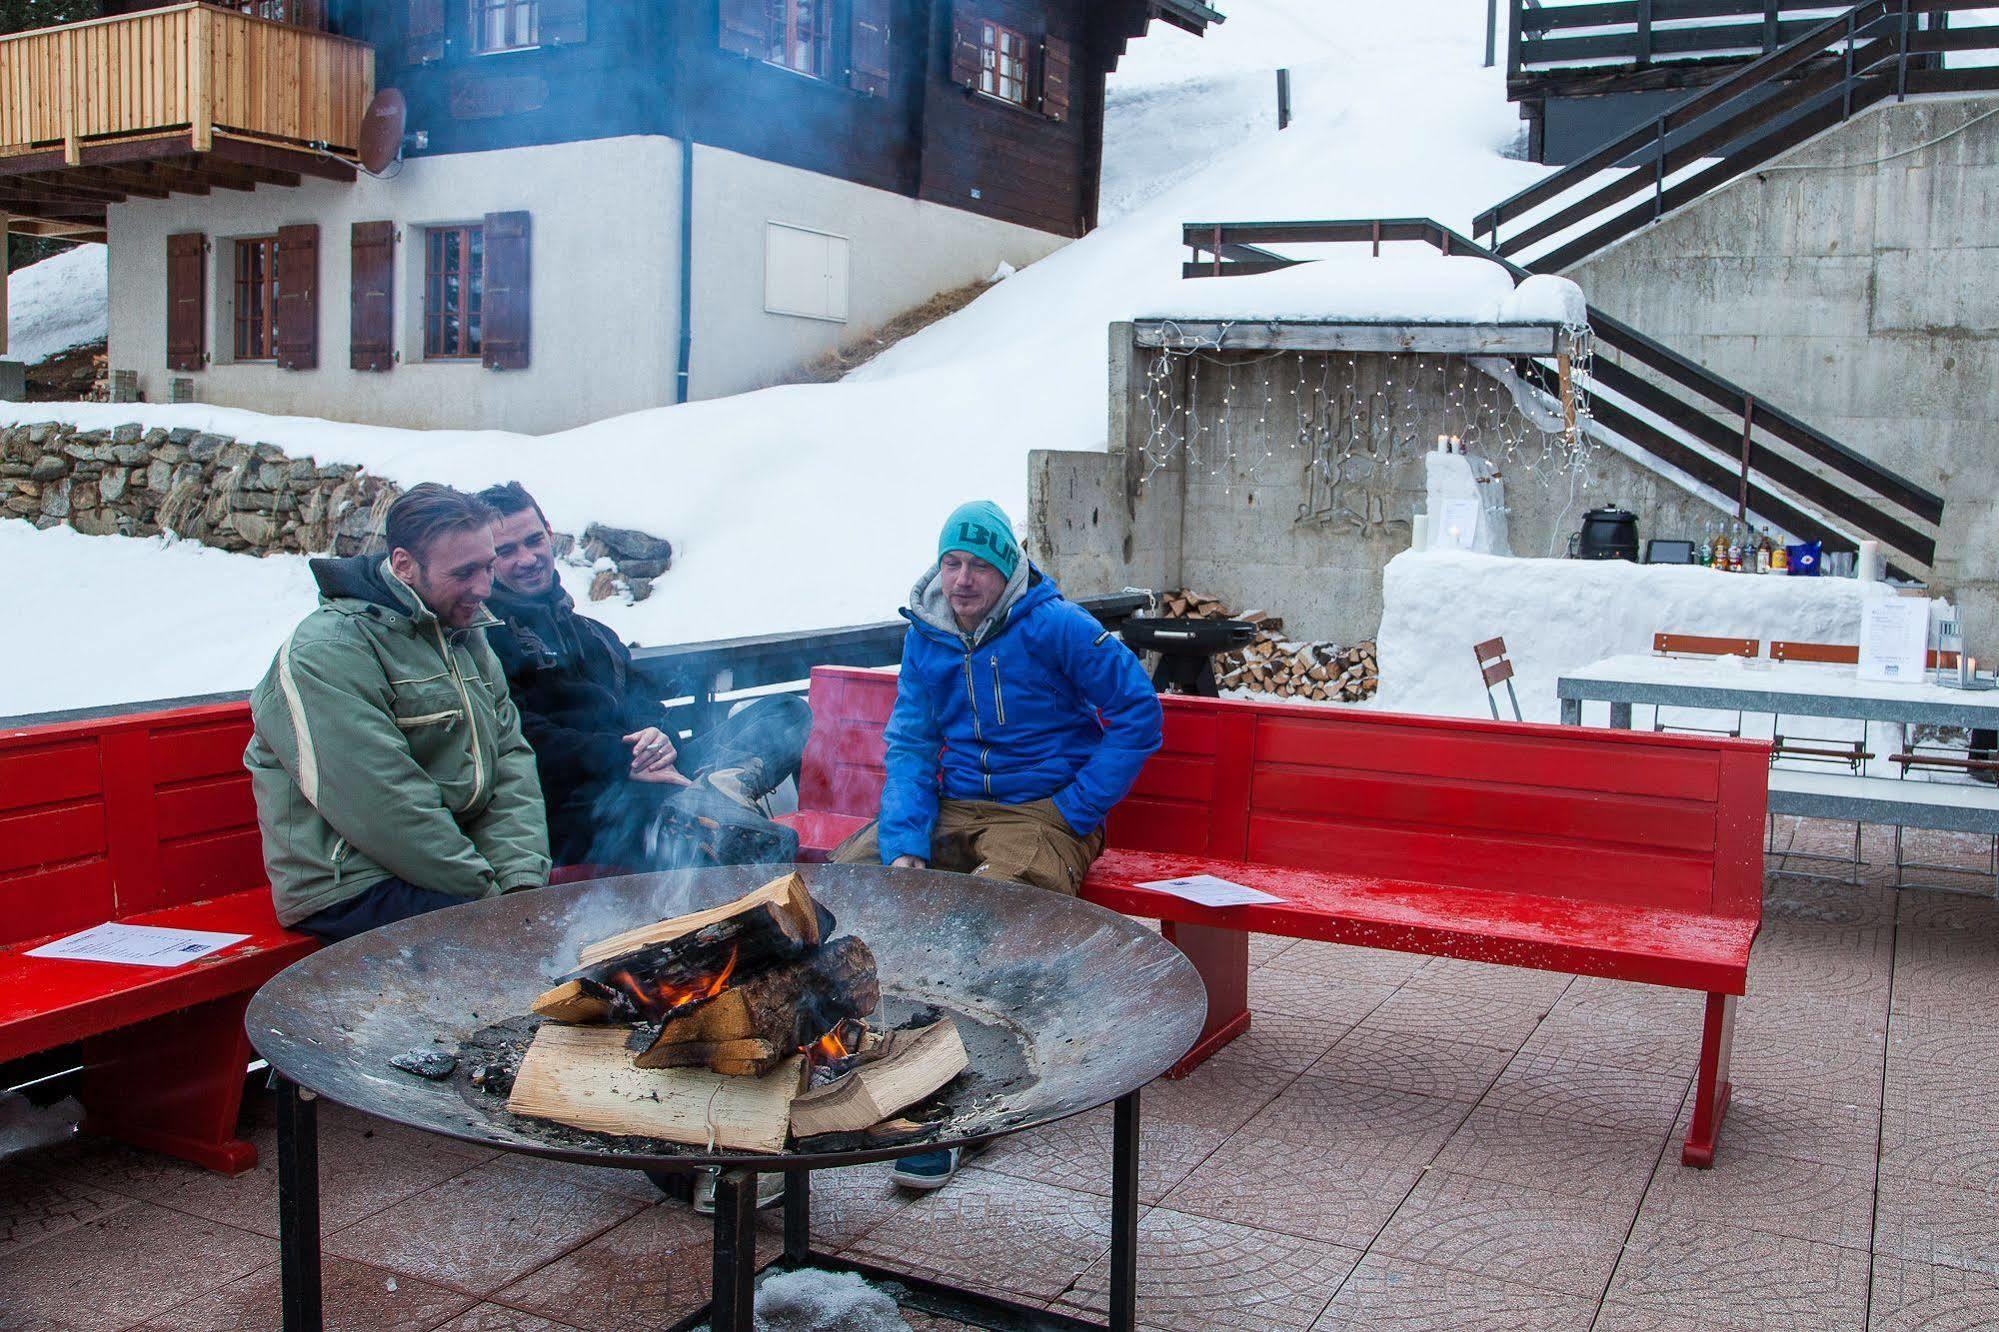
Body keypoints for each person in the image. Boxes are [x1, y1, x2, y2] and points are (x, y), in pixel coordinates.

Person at [834, 500, 1162, 1190]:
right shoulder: (926, 633)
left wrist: (1074, 807)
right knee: (844, 888)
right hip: (953, 805)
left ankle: (960, 1107)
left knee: (997, 912)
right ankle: (850, 1058)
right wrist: (902, 845)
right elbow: (912, 742)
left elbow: (1138, 711)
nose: (961, 579)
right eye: (952, 562)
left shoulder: (1057, 627)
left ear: (1007, 569)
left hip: (1038, 812)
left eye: (979, 564)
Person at [246, 484, 550, 943]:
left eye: (488, 566)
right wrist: (489, 897)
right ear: (404, 565)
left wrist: (521, 883)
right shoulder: (327, 651)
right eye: (465, 572)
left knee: (557, 923)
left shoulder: (463, 634)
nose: (484, 587)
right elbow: (383, 804)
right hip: (353, 883)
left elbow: (510, 762)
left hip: (459, 872)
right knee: (508, 950)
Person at [478, 481, 814, 872]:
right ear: (486, 559)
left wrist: (660, 740)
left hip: (653, 772)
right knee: (639, 806)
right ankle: (707, 812)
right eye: (506, 551)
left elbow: (648, 707)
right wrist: (625, 758)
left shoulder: (593, 633)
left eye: (534, 540)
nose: (528, 557)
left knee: (787, 712)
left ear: (549, 535)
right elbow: (525, 737)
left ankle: (712, 797)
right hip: (586, 799)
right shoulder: (487, 640)